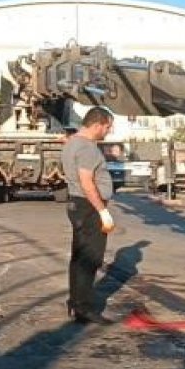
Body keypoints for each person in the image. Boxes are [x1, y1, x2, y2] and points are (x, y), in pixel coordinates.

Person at [61, 107, 117, 325]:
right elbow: (87, 182)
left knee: (79, 257)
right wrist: (103, 212)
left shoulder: (72, 142)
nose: (108, 131)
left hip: (77, 204)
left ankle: (75, 302)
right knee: (90, 258)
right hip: (89, 206)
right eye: (107, 126)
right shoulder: (87, 149)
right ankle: (83, 308)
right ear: (97, 124)